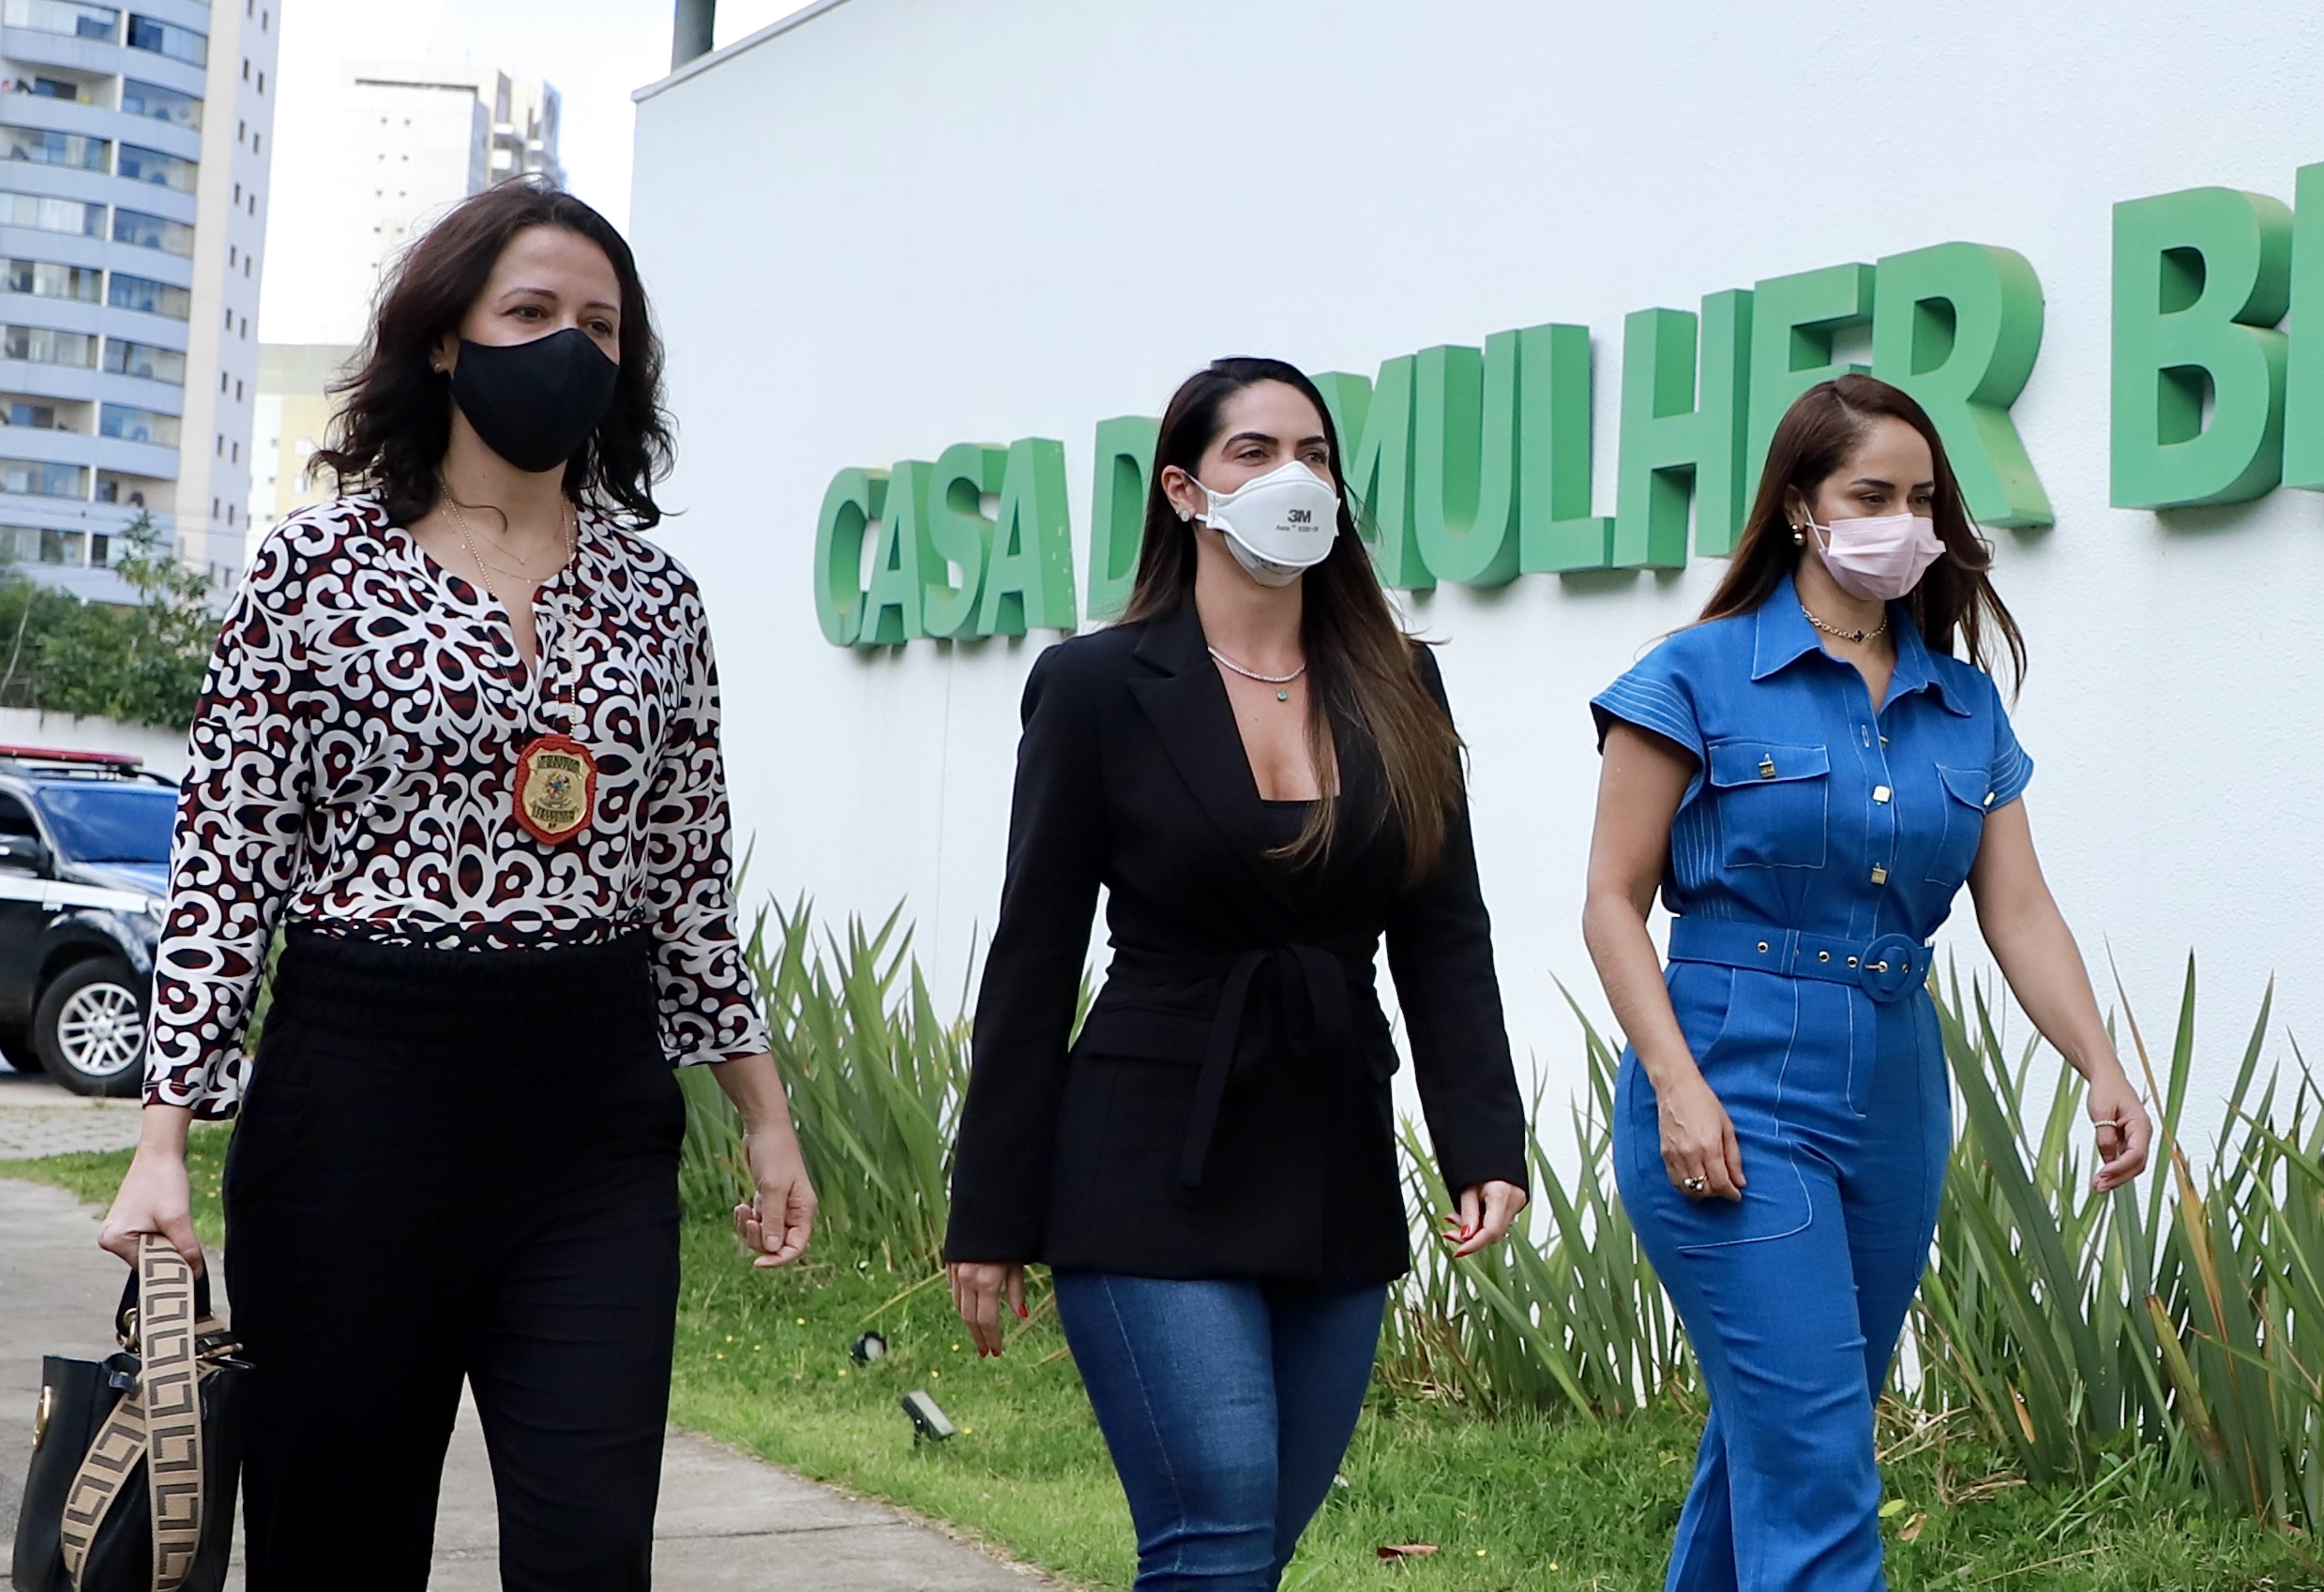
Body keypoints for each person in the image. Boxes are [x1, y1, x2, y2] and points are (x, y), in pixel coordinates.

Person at [97, 178, 816, 1592]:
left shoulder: (657, 599)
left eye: (600, 326)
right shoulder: (314, 568)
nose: (569, 346)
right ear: (444, 339)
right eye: (532, 311)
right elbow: (228, 860)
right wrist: (163, 1134)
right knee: (337, 1544)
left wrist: (764, 1115)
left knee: (591, 1546)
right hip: (358, 1104)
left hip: (588, 1120)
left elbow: (685, 882)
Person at [944, 356, 1530, 1591]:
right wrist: (989, 1215)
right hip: (1150, 1142)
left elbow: (1443, 927)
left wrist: (1483, 1139)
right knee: (1211, 1526)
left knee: (1256, 1545)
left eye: (1313, 453)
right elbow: (1033, 954)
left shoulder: (1398, 678)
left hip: (1331, 1147)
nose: (1291, 477)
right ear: (1184, 490)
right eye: (1254, 453)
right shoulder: (1098, 684)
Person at [1583, 373, 2153, 1592]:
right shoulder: (1694, 674)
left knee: (1780, 1446)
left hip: (1893, 1085)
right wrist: (1675, 1087)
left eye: (1920, 497)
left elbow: (2018, 910)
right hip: (1732, 1076)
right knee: (1822, 1463)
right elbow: (1608, 904)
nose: (1900, 519)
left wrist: (2098, 1061)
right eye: (1868, 493)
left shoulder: (1962, 704)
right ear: (1799, 503)